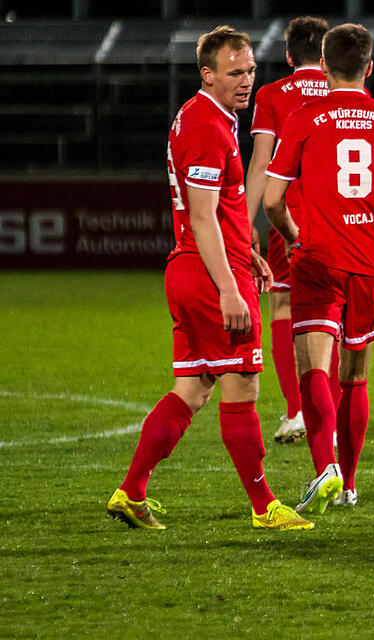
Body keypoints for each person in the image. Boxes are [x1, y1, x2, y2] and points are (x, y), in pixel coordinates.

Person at [106, 26, 312, 531]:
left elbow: (216, 212)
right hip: (208, 274)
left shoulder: (206, 118)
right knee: (241, 386)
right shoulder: (206, 127)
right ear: (208, 74)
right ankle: (265, 507)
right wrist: (228, 286)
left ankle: (131, 492)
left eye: (250, 71)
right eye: (234, 72)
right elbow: (201, 217)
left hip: (194, 268)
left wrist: (249, 254)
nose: (246, 81)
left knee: (193, 389)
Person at [263, 23, 374, 513]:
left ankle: (325, 470)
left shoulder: (303, 117)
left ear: (324, 65)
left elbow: (273, 201)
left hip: (317, 258)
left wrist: (296, 237)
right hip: (371, 265)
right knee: (354, 373)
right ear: (369, 67)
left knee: (312, 365)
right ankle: (351, 483)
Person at [245, 15, 342, 446]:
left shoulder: (271, 94)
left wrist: (244, 221)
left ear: (288, 55)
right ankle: (334, 419)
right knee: (333, 315)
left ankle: (298, 411)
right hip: (340, 221)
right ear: (325, 57)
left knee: (283, 308)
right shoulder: (348, 91)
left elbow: (263, 164)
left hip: (288, 215)